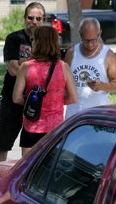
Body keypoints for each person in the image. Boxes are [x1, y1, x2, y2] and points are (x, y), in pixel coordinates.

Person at [0, 2, 46, 164]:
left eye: (38, 18)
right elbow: (13, 70)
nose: (34, 21)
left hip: (38, 103)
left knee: (34, 149)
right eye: (30, 17)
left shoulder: (48, 42)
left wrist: (25, 63)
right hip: (12, 100)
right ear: (24, 19)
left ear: (43, 20)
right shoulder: (14, 38)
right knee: (2, 144)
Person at [12, 25, 77, 155]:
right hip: (55, 129)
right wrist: (54, 101)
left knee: (28, 169)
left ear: (37, 42)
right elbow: (73, 97)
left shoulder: (26, 67)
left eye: (33, 39)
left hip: (31, 127)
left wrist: (34, 102)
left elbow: (16, 98)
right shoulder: (63, 67)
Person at [65, 18, 116, 118]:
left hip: (98, 117)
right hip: (74, 117)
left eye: (93, 40)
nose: (90, 44)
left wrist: (102, 86)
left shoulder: (107, 55)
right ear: (80, 34)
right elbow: (63, 82)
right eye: (86, 40)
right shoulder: (71, 53)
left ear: (99, 34)